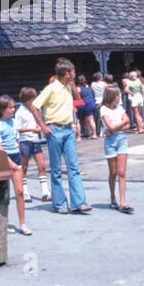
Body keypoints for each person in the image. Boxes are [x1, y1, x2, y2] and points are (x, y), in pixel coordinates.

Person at [29, 58, 91, 214]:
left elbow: (78, 98)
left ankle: (78, 202)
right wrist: (43, 126)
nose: (75, 75)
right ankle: (59, 204)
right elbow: (34, 106)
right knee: (56, 169)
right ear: (67, 73)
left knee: (73, 167)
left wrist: (72, 85)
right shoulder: (51, 89)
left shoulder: (68, 87)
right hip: (54, 130)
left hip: (68, 129)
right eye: (73, 72)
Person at [0, 95, 32, 235]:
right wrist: (11, 163)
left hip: (15, 157)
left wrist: (17, 159)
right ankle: (5, 221)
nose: (13, 109)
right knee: (4, 192)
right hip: (4, 159)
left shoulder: (14, 122)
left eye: (13, 107)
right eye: (10, 107)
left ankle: (22, 224)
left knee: (20, 191)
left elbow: (16, 141)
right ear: (2, 109)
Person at [100, 85, 133, 213]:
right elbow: (111, 126)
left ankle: (123, 202)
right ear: (112, 97)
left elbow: (128, 123)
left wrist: (115, 128)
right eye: (117, 95)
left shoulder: (120, 108)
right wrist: (118, 125)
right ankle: (113, 196)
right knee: (113, 172)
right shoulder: (104, 109)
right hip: (110, 142)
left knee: (122, 172)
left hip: (121, 140)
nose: (119, 97)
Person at [15, 87, 51, 203]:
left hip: (35, 140)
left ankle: (45, 192)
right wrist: (32, 129)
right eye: (32, 99)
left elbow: (38, 122)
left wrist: (39, 128)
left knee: (42, 165)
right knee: (24, 168)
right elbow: (18, 129)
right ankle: (25, 192)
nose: (34, 101)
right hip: (25, 141)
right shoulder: (20, 112)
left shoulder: (36, 109)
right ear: (26, 99)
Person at [126, 68, 144, 133]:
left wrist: (131, 93)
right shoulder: (138, 80)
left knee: (136, 114)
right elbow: (142, 88)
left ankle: (140, 129)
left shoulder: (129, 82)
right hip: (140, 96)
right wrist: (143, 95)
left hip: (134, 97)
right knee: (139, 114)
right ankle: (140, 127)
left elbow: (126, 90)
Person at [91, 70, 107, 135]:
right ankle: (103, 130)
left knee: (99, 117)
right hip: (103, 101)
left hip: (97, 101)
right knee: (104, 116)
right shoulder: (104, 83)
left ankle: (101, 130)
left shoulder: (92, 84)